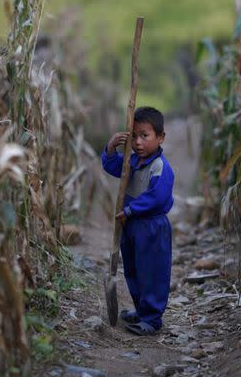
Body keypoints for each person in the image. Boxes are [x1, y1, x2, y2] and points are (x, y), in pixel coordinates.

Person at [101, 106, 174, 336]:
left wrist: (132, 210)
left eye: (145, 135)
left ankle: (152, 319)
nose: (138, 142)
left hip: (151, 226)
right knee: (133, 268)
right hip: (131, 226)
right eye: (133, 136)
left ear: (160, 137)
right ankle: (142, 310)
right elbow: (113, 167)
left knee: (152, 271)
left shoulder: (160, 167)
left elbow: (157, 197)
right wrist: (111, 148)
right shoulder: (131, 162)